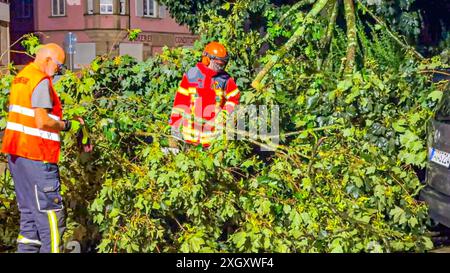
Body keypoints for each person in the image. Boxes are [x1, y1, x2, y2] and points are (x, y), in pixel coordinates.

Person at [1, 43, 88, 253]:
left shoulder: (22, 77)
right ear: (48, 59)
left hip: (17, 155)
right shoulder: (40, 81)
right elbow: (42, 121)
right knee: (51, 216)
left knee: (29, 215)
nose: (59, 71)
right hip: (37, 156)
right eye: (59, 66)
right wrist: (68, 125)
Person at [168, 42, 241, 149]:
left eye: (223, 64)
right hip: (190, 137)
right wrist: (174, 127)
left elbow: (234, 98)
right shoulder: (192, 75)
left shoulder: (225, 80)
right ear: (207, 59)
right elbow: (180, 102)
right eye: (218, 64)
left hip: (213, 139)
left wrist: (224, 115)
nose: (220, 67)